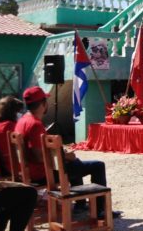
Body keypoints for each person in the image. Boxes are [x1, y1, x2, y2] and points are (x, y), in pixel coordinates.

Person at [15, 86, 120, 218]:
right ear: (43, 103)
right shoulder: (35, 124)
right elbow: (39, 156)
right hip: (42, 173)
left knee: (75, 164)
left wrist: (63, 155)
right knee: (97, 166)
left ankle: (81, 204)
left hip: (31, 171)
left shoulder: (23, 120)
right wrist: (63, 156)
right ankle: (100, 210)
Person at [0, 96, 25, 177]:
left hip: (3, 166)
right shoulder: (9, 126)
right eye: (18, 112)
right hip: (13, 167)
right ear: (13, 112)